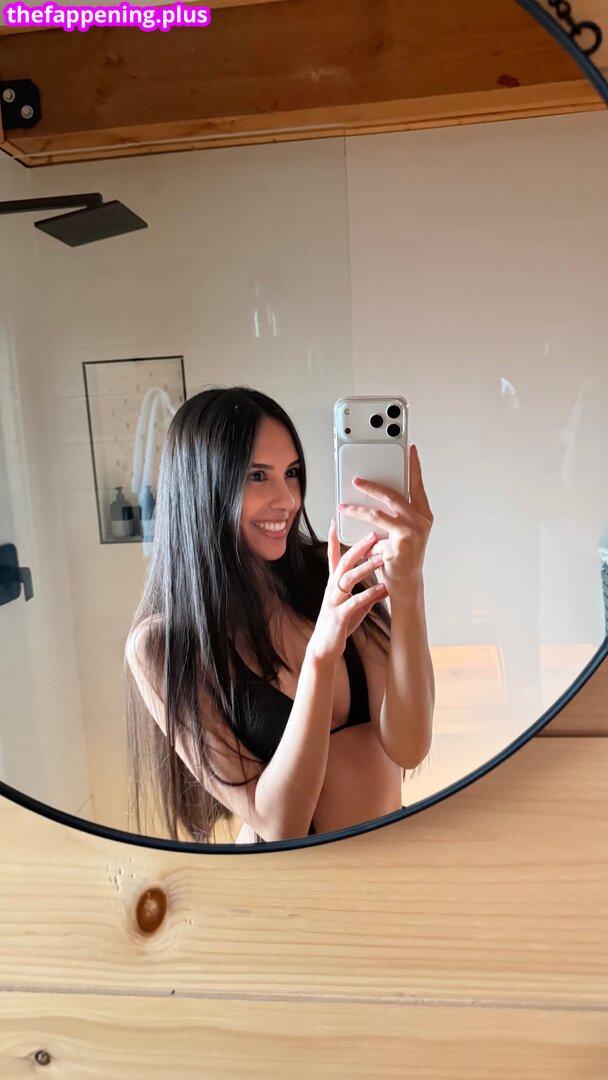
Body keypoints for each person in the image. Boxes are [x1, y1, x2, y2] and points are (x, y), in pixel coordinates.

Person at [125, 386, 434, 844]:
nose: (287, 499)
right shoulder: (164, 645)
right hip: (286, 883)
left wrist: (408, 586)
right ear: (202, 486)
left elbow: (408, 747)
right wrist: (322, 654)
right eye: (257, 476)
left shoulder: (331, 572)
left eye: (291, 473)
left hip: (387, 862)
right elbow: (278, 823)